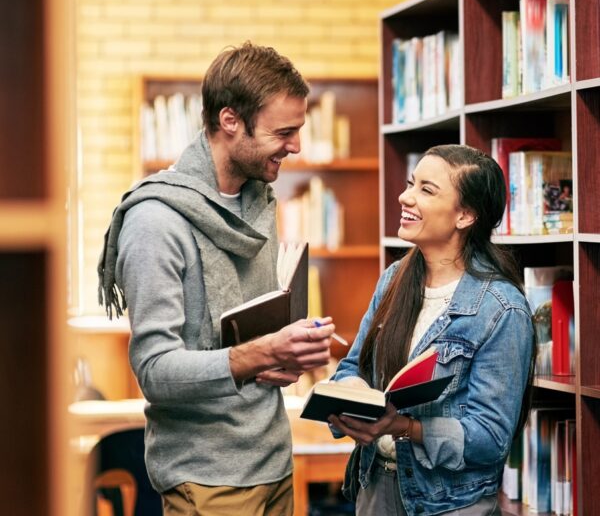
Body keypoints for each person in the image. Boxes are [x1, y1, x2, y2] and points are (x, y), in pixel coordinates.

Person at [97, 41, 335, 516]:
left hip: (275, 461)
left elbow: (247, 336)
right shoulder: (155, 222)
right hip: (207, 478)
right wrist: (263, 352)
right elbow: (156, 371)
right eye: (283, 132)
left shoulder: (259, 202)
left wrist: (288, 349)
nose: (296, 146)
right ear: (230, 121)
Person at [328, 144, 535, 515]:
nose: (405, 196)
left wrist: (404, 426)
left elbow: (490, 438)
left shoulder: (502, 309)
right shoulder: (394, 279)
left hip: (449, 503)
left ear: (465, 215)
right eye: (411, 184)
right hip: (374, 486)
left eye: (426, 189)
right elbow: (352, 366)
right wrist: (354, 396)